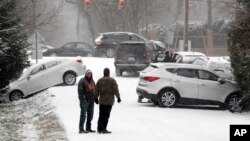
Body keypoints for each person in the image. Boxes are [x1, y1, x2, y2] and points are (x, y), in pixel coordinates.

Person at [95, 68, 121, 134]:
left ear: (103, 73)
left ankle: (99, 128)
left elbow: (96, 90)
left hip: (102, 100)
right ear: (108, 73)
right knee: (106, 115)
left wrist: (95, 98)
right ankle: (104, 128)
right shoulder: (112, 80)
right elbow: (115, 89)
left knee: (101, 114)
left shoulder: (100, 80)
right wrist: (118, 97)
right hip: (109, 101)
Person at [78, 69, 96, 133]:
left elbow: (94, 90)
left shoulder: (92, 81)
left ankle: (88, 128)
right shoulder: (82, 81)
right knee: (83, 115)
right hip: (84, 101)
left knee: (90, 115)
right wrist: (83, 99)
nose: (89, 74)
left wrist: (95, 98)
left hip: (91, 101)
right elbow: (80, 91)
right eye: (88, 73)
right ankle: (81, 129)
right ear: (85, 74)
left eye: (90, 73)